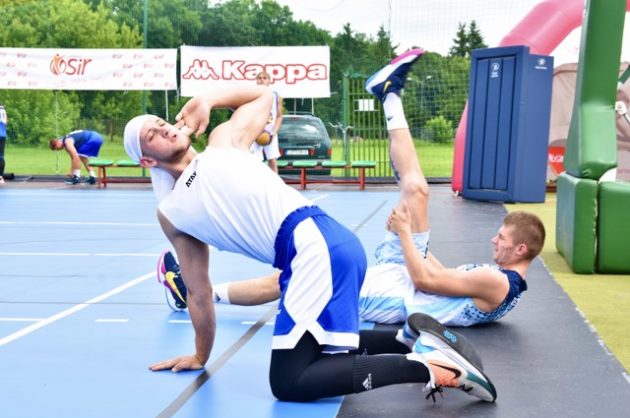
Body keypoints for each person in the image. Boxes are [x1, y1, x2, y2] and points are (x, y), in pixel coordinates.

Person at [123, 56, 497, 404]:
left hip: (313, 245)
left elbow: (264, 95)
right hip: (321, 249)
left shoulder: (223, 141)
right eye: (153, 134)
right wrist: (200, 354)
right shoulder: (172, 213)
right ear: (146, 159)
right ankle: (408, 339)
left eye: (162, 121)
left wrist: (207, 97)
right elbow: (199, 292)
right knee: (317, 350)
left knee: (289, 381)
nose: (165, 128)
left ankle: (434, 368)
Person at [160, 48, 546, 333]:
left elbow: (426, 283)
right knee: (418, 190)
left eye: (503, 237)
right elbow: (438, 274)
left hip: (393, 293)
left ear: (521, 250)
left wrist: (407, 235)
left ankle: (202, 294)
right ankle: (389, 95)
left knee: (287, 279)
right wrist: (414, 241)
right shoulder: (498, 280)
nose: (495, 238)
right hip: (407, 268)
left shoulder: (497, 282)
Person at [249, 71, 282, 173]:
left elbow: (279, 116)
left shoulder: (276, 96)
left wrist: (273, 132)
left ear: (269, 81)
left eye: (264, 78)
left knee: (272, 160)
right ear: (256, 81)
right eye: (259, 78)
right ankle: (256, 185)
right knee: (255, 161)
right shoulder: (250, 95)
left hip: (270, 132)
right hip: (255, 132)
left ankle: (275, 185)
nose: (262, 80)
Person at [0, 104, 7, 184]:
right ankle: (1, 177)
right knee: (1, 156)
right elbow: (6, 122)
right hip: (3, 134)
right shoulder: (3, 110)